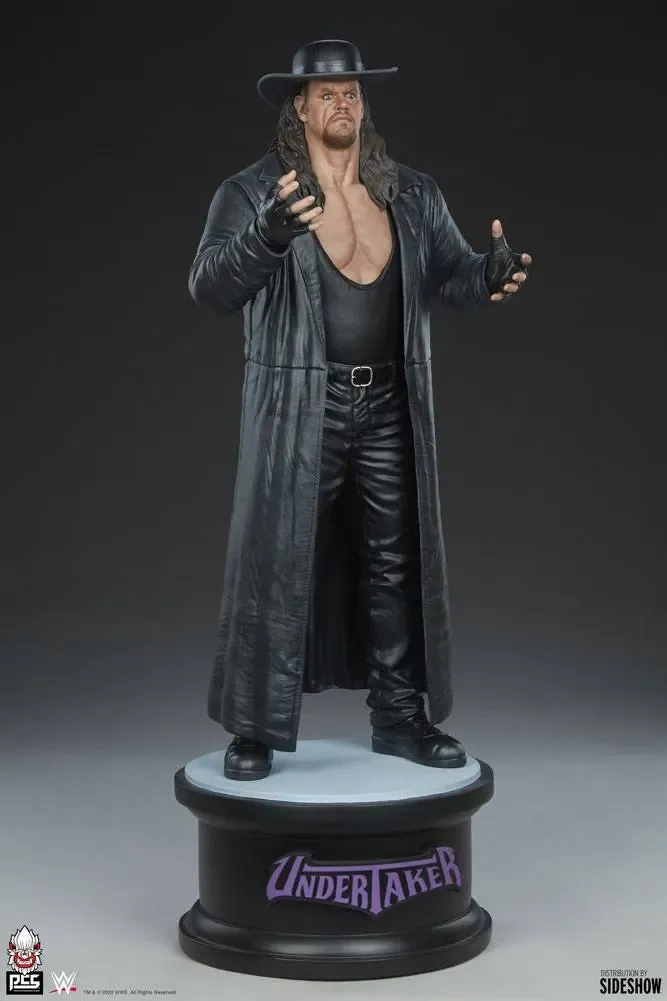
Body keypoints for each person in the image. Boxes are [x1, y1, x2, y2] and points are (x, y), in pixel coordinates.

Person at [188, 39, 531, 781]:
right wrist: (268, 234)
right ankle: (253, 728)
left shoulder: (408, 193)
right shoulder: (255, 192)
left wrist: (490, 276)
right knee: (276, 560)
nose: (342, 103)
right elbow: (209, 288)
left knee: (394, 559)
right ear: (300, 107)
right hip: (299, 404)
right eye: (327, 93)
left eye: (352, 92)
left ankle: (400, 717)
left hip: (389, 403)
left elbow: (454, 275)